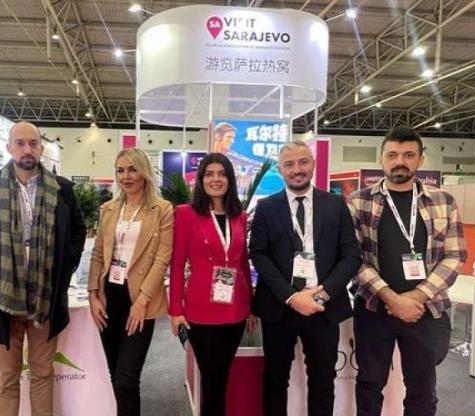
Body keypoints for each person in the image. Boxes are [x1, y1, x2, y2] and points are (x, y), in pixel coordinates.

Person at [0, 122, 86, 416]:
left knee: (43, 373)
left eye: (33, 143)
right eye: (20, 143)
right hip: (1, 299)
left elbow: (77, 231)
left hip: (46, 298)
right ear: (9, 147)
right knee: (6, 378)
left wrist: (65, 269)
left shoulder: (61, 189)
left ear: (41, 148)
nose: (27, 149)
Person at [349, 127, 466, 416]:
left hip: (424, 309)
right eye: (392, 155)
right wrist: (391, 298)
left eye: (408, 155)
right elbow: (353, 257)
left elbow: (455, 255)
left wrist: (416, 297)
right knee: (369, 385)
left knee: (422, 391)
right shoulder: (359, 201)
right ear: (381, 159)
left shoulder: (443, 201)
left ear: (421, 159)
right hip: (375, 307)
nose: (399, 161)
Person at [249, 140, 361, 416]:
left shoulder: (336, 205)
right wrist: (291, 296)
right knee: (275, 379)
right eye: (289, 164)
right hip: (279, 306)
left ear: (313, 164)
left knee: (323, 380)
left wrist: (319, 295)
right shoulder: (266, 207)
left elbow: (351, 256)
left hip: (324, 306)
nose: (297, 169)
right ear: (280, 169)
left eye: (303, 162)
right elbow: (259, 255)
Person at [88, 148, 173, 416]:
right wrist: (93, 294)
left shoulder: (162, 209)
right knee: (114, 374)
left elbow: (162, 259)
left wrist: (142, 301)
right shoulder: (109, 209)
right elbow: (98, 253)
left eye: (132, 170)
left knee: (127, 380)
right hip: (109, 298)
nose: (126, 176)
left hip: (140, 299)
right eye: (120, 170)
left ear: (144, 173)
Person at [168, 152, 254, 416]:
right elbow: (177, 264)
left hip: (236, 310)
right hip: (201, 311)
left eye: (222, 174)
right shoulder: (186, 214)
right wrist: (175, 311)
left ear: (230, 179)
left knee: (222, 378)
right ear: (201, 179)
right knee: (212, 381)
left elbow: (242, 262)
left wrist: (250, 306)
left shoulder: (239, 216)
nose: (216, 179)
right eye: (209, 174)